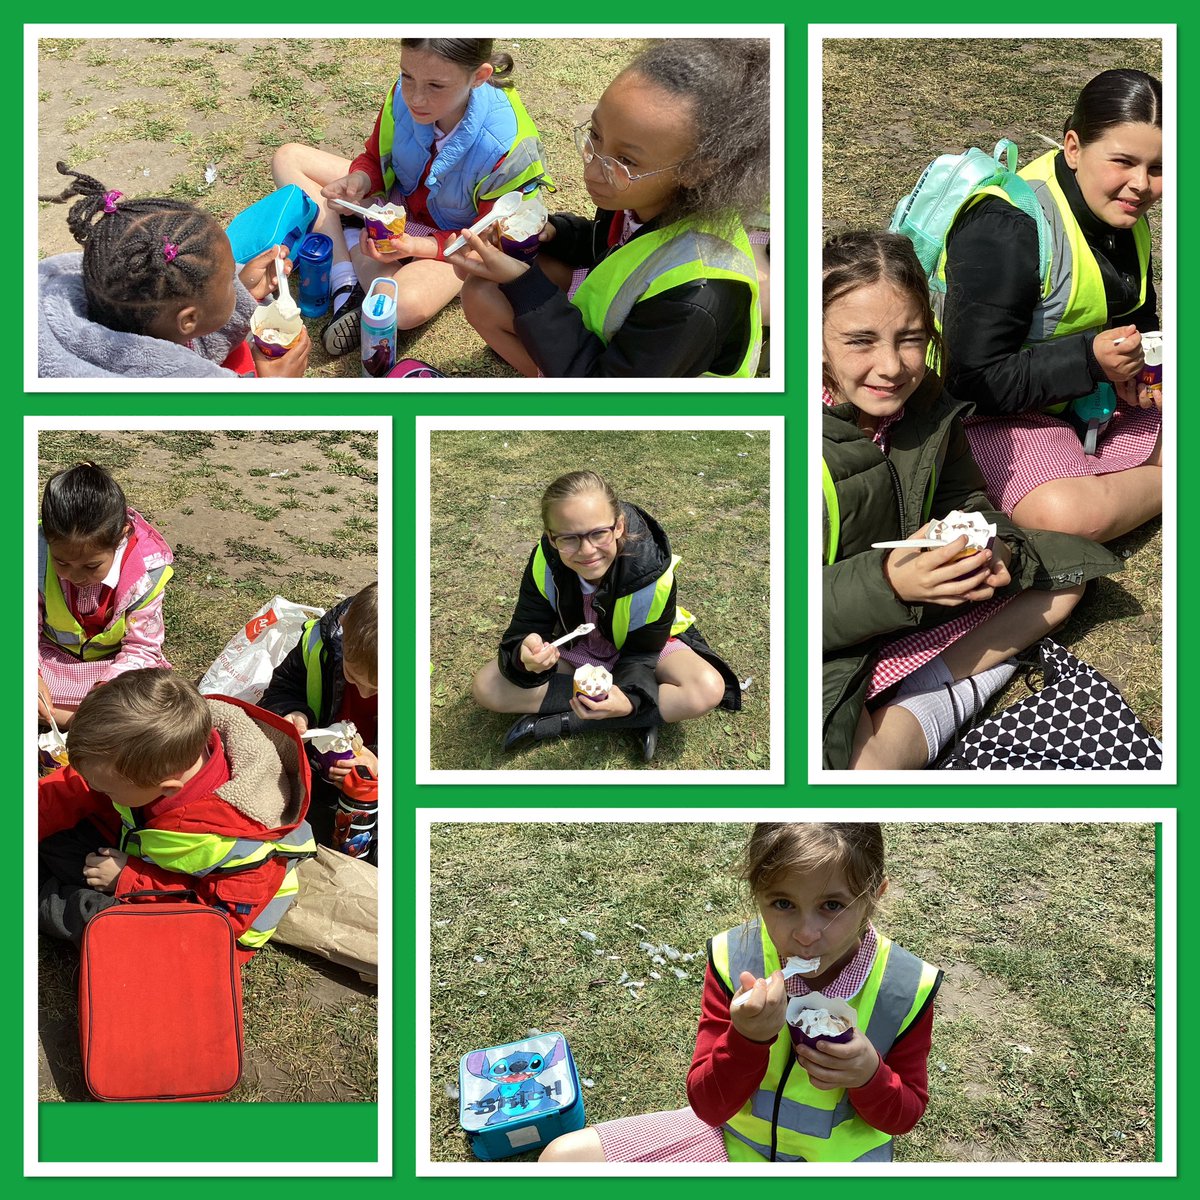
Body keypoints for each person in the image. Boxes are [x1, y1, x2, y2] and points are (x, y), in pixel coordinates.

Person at [821, 232, 1122, 770]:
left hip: (923, 600)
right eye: (860, 341)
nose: (891, 366)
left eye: (910, 338)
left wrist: (996, 547)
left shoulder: (929, 404)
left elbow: (969, 500)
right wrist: (889, 584)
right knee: (865, 769)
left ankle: (929, 680)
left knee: (1063, 581)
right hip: (830, 631)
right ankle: (932, 699)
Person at [540, 822, 940, 1163]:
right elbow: (709, 1105)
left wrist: (869, 1075)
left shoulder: (904, 988)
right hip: (734, 1144)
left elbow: (901, 1118)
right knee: (562, 1160)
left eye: (832, 905)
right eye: (783, 903)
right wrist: (746, 1040)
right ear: (757, 894)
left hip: (837, 1163)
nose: (804, 932)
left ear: (874, 896)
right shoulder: (736, 960)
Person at [450, 38, 770, 378]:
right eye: (595, 134)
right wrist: (553, 234)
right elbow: (611, 246)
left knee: (504, 286)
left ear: (696, 169)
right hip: (622, 342)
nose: (592, 171)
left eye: (626, 159)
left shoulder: (697, 297)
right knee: (485, 287)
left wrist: (524, 284)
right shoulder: (638, 193)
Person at [940, 69, 1163, 541]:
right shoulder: (1005, 228)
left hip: (1078, 399)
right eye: (1123, 161)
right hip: (982, 415)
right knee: (1064, 516)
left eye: (1160, 168)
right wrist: (1091, 361)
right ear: (1073, 147)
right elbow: (971, 381)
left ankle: (1125, 474)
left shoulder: (1121, 214)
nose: (1141, 185)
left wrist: (1146, 372)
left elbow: (1138, 312)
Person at [271, 38, 552, 357]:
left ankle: (352, 246)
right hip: (398, 207)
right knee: (288, 158)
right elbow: (375, 156)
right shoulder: (402, 98)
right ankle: (346, 279)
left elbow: (488, 242)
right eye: (407, 76)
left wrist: (416, 246)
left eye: (435, 85)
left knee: (402, 306)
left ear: (479, 76)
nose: (416, 98)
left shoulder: (506, 146)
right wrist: (360, 180)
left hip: (457, 246)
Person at [37, 669, 317, 962]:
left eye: (107, 791)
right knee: (55, 835)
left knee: (97, 917)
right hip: (138, 855)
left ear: (168, 789)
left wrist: (131, 879)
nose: (96, 789)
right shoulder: (145, 759)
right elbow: (76, 786)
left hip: (201, 922)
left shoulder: (242, 840)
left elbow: (220, 919)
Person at [471, 470, 740, 762]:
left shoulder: (651, 570)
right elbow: (524, 629)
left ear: (619, 527)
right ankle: (641, 716)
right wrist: (526, 654)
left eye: (598, 533)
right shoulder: (543, 561)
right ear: (551, 537)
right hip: (576, 651)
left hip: (643, 650)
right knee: (488, 687)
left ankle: (559, 723)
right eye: (569, 538)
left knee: (706, 688)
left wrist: (630, 699)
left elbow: (643, 654)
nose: (587, 551)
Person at [37, 162, 310, 379]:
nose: (234, 283)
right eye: (229, 281)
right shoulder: (169, 385)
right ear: (188, 321)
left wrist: (246, 292)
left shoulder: (114, 296)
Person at [37, 462, 174, 730]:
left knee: (145, 703)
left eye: (91, 566)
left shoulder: (147, 574)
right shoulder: (32, 555)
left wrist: (103, 690)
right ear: (47, 540)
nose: (75, 576)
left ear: (121, 537)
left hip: (112, 666)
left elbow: (142, 648)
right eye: (61, 562)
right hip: (49, 657)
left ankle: (72, 719)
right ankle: (85, 725)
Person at [260, 584, 378, 859]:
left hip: (370, 790)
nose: (363, 692)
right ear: (345, 626)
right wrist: (294, 712)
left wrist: (378, 764)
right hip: (312, 770)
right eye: (353, 676)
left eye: (377, 688)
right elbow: (281, 689)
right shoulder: (318, 647)